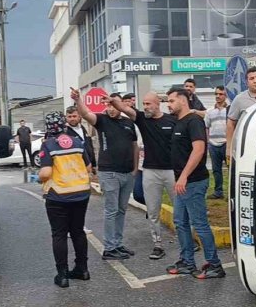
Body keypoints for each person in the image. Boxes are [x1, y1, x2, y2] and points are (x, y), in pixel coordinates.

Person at [107, 91, 177, 260]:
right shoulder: (142, 119)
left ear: (157, 103)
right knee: (153, 211)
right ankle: (158, 245)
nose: (145, 107)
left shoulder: (172, 120)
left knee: (180, 208)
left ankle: (187, 240)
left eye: (148, 104)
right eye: (143, 104)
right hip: (150, 171)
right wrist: (113, 101)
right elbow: (125, 108)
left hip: (172, 171)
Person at [164, 88, 225, 279]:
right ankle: (187, 262)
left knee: (199, 224)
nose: (169, 104)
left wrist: (183, 176)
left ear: (183, 101)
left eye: (172, 101)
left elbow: (198, 150)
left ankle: (215, 265)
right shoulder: (178, 122)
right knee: (180, 222)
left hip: (194, 182)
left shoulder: (194, 121)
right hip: (183, 183)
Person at [72, 87, 139, 260]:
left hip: (127, 173)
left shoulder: (128, 123)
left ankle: (117, 243)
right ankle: (109, 248)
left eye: (113, 105)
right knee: (111, 210)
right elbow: (86, 113)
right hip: (109, 172)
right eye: (107, 105)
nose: (110, 108)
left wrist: (134, 169)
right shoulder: (101, 120)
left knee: (122, 210)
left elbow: (134, 146)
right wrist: (78, 100)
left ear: (120, 105)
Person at [37, 111, 93, 287]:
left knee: (59, 234)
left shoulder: (48, 145)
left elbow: (46, 172)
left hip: (58, 196)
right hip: (81, 193)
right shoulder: (77, 142)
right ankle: (82, 270)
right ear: (64, 124)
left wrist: (39, 177)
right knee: (78, 231)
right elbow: (89, 167)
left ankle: (62, 275)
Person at [65, 105, 97, 235]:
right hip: (71, 171)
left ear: (79, 116)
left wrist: (93, 165)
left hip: (85, 169)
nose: (72, 119)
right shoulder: (65, 132)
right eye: (69, 116)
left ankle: (79, 225)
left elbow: (88, 147)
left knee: (82, 199)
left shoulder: (83, 129)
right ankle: (69, 227)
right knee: (71, 199)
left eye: (74, 116)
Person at [205, 86, 229, 199]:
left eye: (220, 94)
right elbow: (206, 127)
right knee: (216, 170)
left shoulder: (230, 109)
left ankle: (231, 194)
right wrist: (207, 142)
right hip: (213, 144)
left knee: (230, 170)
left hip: (226, 143)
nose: (218, 96)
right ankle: (218, 192)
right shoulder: (210, 111)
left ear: (225, 96)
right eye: (216, 94)